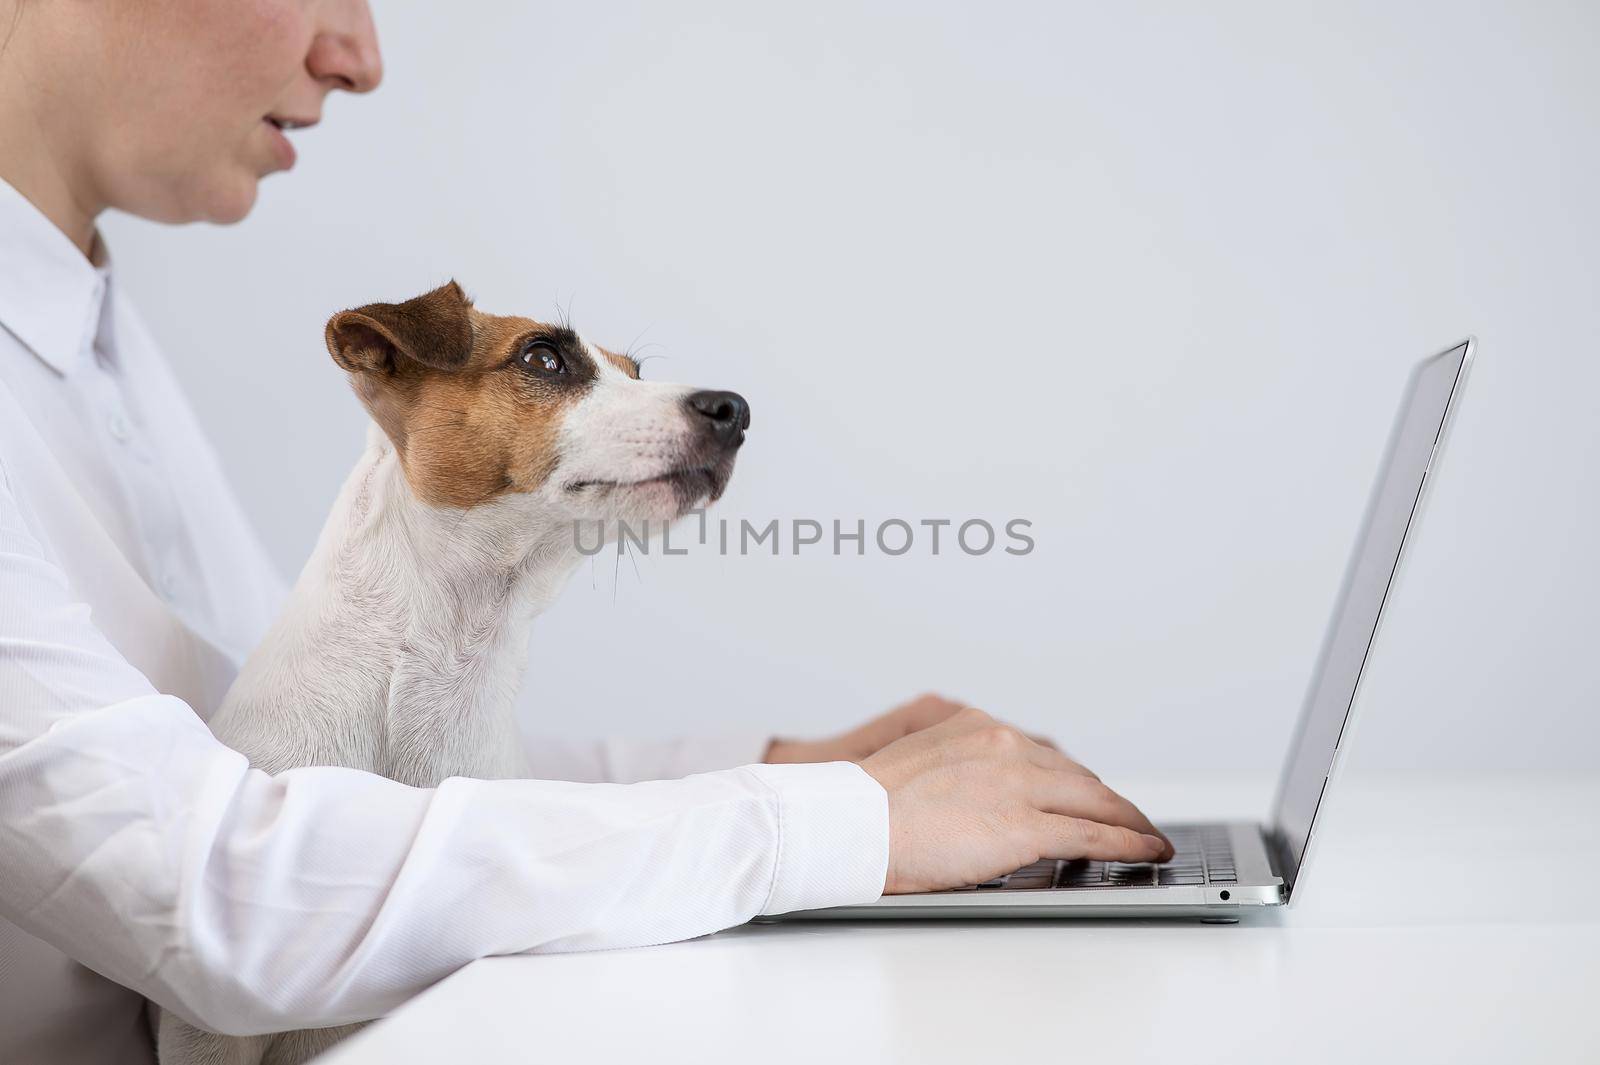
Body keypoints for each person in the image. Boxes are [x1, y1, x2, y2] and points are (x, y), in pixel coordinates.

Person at [0, 3, 1172, 1062]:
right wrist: (833, 831)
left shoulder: (95, 338)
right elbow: (227, 898)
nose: (358, 55)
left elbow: (327, 795)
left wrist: (781, 771)